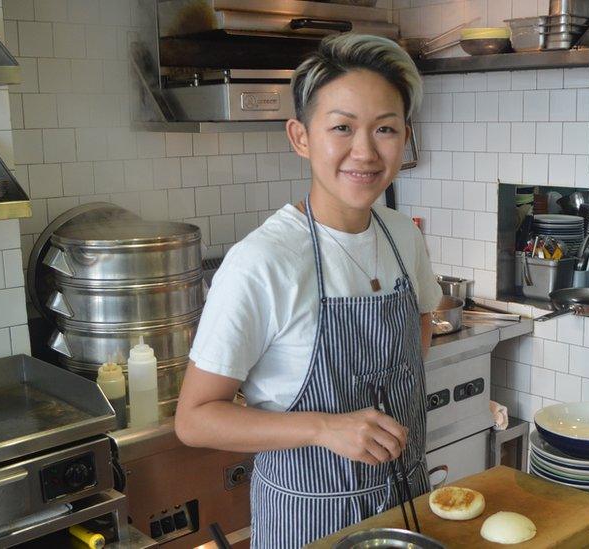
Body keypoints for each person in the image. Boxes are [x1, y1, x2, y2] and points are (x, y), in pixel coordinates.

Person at [175, 33, 442, 548]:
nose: (364, 152)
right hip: (308, 522)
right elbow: (195, 419)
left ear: (405, 137)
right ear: (300, 137)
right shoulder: (263, 261)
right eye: (342, 127)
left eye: (385, 129)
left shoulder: (402, 235)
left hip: (404, 503)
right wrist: (324, 428)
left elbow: (423, 321)